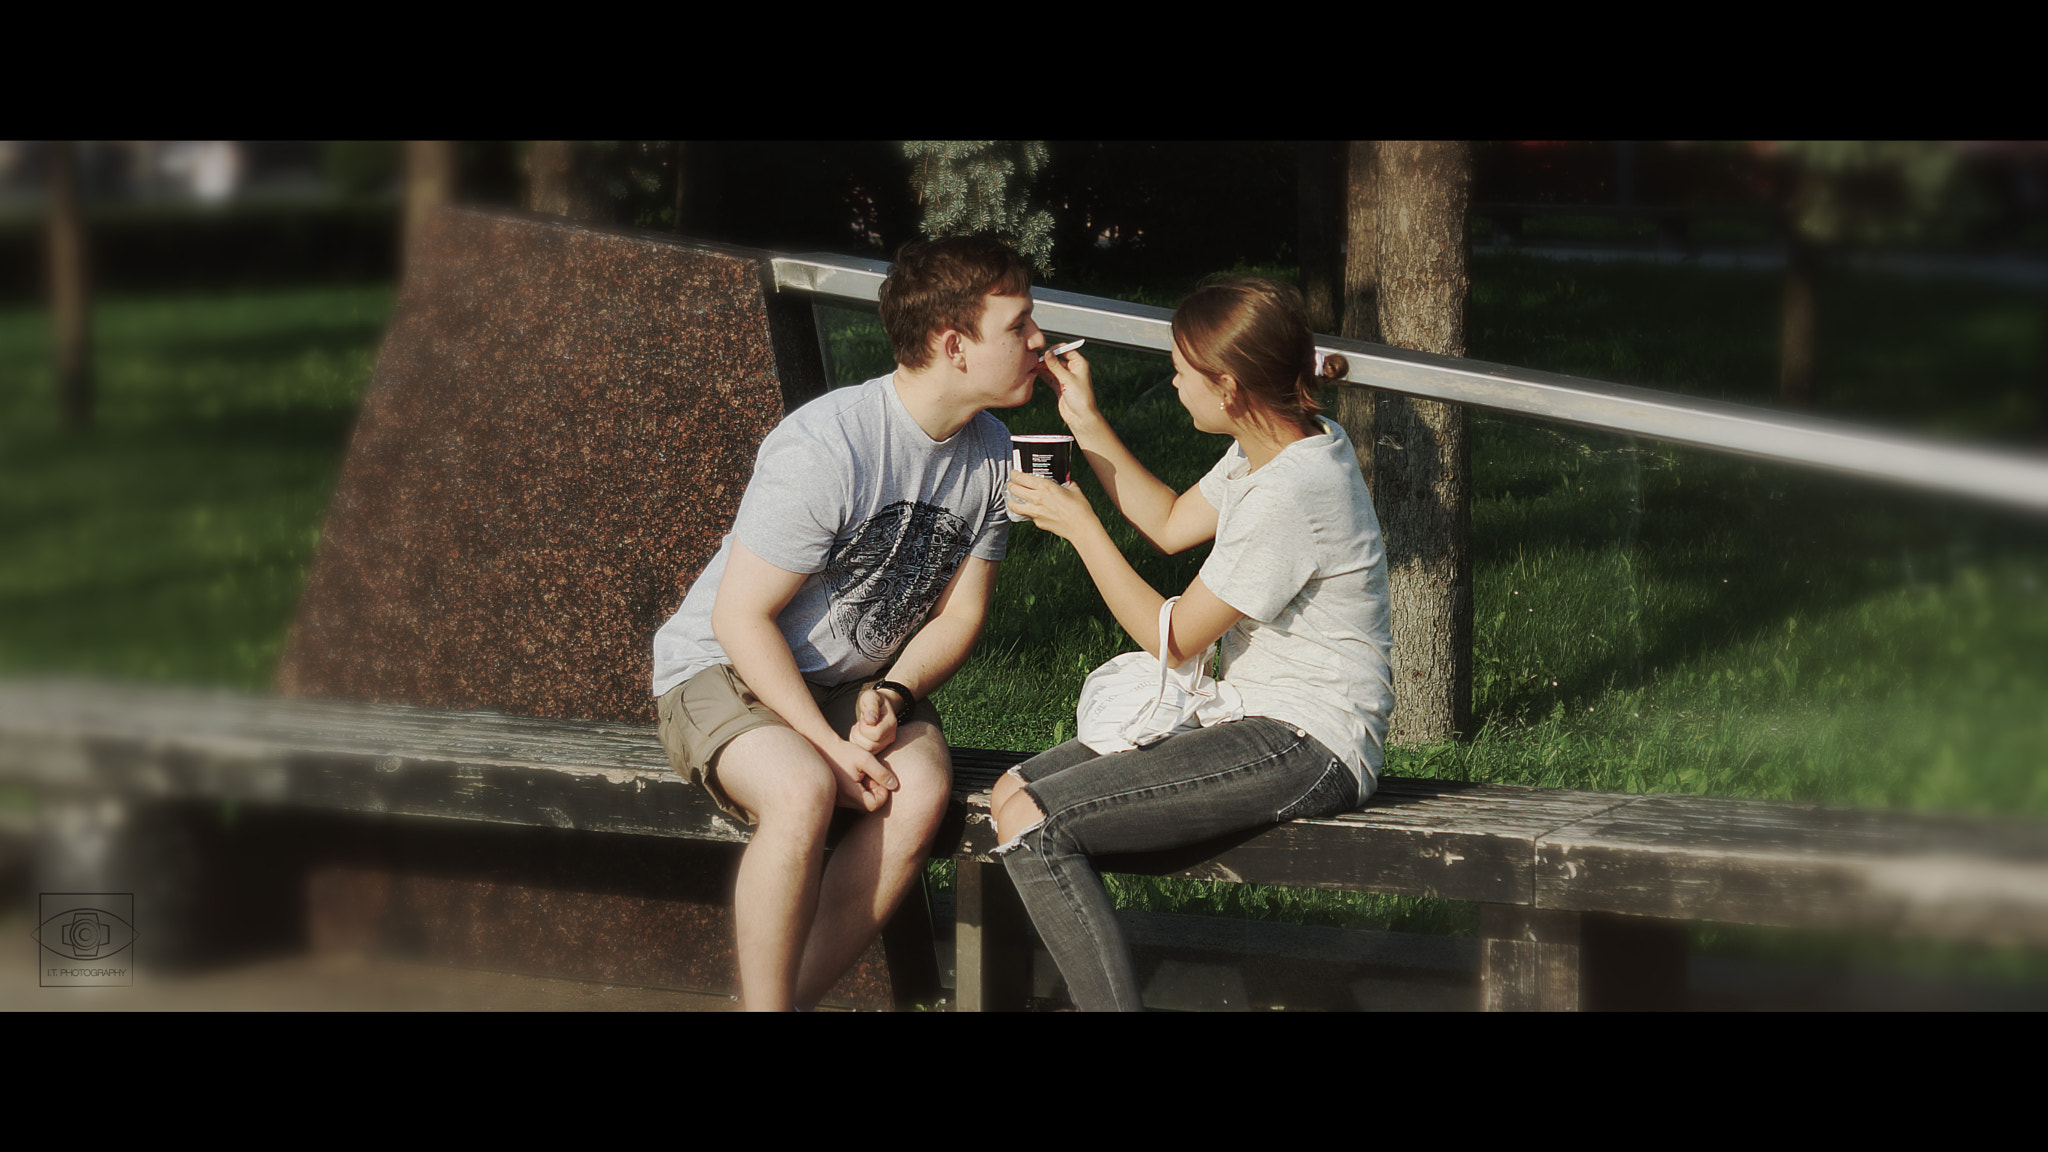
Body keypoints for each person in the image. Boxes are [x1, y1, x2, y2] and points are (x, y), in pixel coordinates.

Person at [650, 235, 1046, 1011]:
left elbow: (961, 612)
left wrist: (893, 695)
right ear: (954, 344)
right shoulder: (828, 444)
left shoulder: (996, 453)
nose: (1040, 341)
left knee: (921, 791)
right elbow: (740, 617)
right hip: (722, 666)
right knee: (800, 790)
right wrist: (828, 747)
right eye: (1019, 325)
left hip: (852, 682)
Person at [996, 277, 1394, 1011]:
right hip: (1251, 718)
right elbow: (1174, 521)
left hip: (1311, 740)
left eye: (1182, 372)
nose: (1173, 383)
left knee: (1037, 827)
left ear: (1229, 386)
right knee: (1012, 796)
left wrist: (1081, 527)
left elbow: (1173, 639)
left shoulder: (1291, 491)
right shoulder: (1271, 443)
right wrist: (1086, 423)